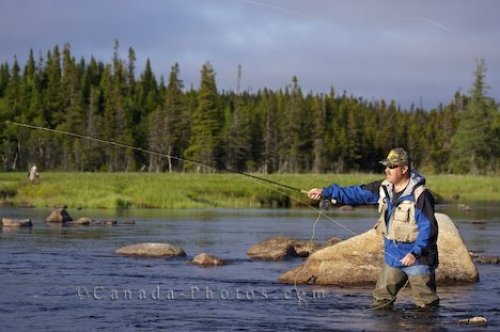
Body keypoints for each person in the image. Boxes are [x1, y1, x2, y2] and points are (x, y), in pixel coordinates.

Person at [307, 148, 439, 309]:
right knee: (381, 302)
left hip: (418, 258)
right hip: (393, 256)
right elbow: (355, 193)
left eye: (392, 166)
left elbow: (429, 228)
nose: (387, 170)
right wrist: (325, 192)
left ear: (404, 169)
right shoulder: (383, 188)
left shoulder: (421, 196)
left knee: (426, 307)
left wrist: (415, 252)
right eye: (386, 166)